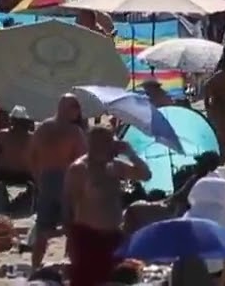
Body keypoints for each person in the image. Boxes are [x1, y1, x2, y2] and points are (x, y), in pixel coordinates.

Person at [64, 125, 151, 286]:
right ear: (92, 143)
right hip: (88, 237)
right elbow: (68, 206)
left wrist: (131, 154)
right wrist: (71, 240)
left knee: (117, 281)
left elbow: (145, 175)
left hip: (114, 236)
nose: (108, 147)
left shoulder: (115, 166)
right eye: (104, 142)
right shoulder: (80, 169)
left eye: (110, 142)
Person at [28, 94, 87, 272]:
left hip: (46, 178)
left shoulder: (43, 128)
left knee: (43, 228)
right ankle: (71, 263)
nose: (78, 112)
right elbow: (83, 160)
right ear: (69, 109)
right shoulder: (74, 132)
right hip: (67, 179)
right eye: (76, 108)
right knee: (73, 225)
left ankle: (35, 266)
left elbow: (31, 156)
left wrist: (38, 178)